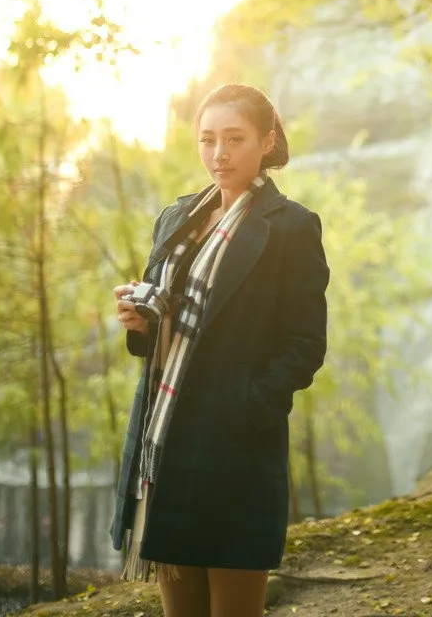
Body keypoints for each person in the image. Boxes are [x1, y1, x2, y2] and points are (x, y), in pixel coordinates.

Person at [109, 83, 330, 617]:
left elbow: (305, 344)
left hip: (235, 447)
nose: (219, 154)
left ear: (266, 141)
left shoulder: (291, 227)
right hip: (166, 439)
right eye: (208, 140)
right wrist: (139, 322)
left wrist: (248, 406)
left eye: (234, 139)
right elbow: (157, 332)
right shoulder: (177, 217)